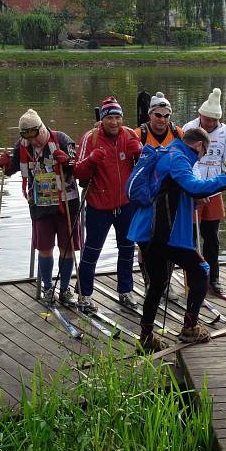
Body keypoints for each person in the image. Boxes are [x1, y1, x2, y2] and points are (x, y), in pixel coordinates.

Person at [127, 127, 226, 351]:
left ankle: (146, 338)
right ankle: (189, 328)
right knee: (201, 270)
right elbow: (193, 187)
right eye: (204, 152)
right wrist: (225, 179)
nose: (202, 157)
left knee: (158, 284)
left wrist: (195, 198)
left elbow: (175, 189)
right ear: (199, 145)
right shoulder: (178, 158)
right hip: (162, 234)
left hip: (147, 231)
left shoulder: (167, 152)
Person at [0, 108, 81, 306]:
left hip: (66, 202)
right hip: (40, 203)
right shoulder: (23, 146)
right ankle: (47, 287)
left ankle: (65, 289)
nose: (34, 142)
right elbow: (12, 168)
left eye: (36, 137)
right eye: (29, 138)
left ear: (42, 129)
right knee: (44, 247)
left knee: (67, 247)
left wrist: (67, 162)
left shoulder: (61, 139)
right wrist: (5, 166)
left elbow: (78, 164)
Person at [73, 96, 142, 314]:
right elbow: (77, 171)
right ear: (102, 119)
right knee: (92, 250)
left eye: (117, 117)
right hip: (98, 205)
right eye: (110, 117)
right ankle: (84, 295)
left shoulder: (130, 135)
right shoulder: (90, 138)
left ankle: (125, 291)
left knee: (127, 249)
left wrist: (139, 153)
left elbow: (145, 168)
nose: (114, 122)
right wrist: (91, 160)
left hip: (125, 203)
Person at [183, 87, 226, 295]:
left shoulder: (225, 131)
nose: (210, 124)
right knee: (191, 237)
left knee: (212, 237)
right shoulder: (190, 129)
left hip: (215, 190)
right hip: (195, 190)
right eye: (207, 120)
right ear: (200, 115)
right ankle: (192, 278)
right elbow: (188, 161)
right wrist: (197, 188)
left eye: (214, 121)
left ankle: (213, 278)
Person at [135, 92, 184, 290]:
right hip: (147, 195)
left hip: (170, 195)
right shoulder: (139, 134)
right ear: (150, 115)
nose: (162, 120)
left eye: (166, 115)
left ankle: (165, 282)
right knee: (145, 241)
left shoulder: (178, 133)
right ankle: (150, 281)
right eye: (158, 115)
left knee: (168, 240)